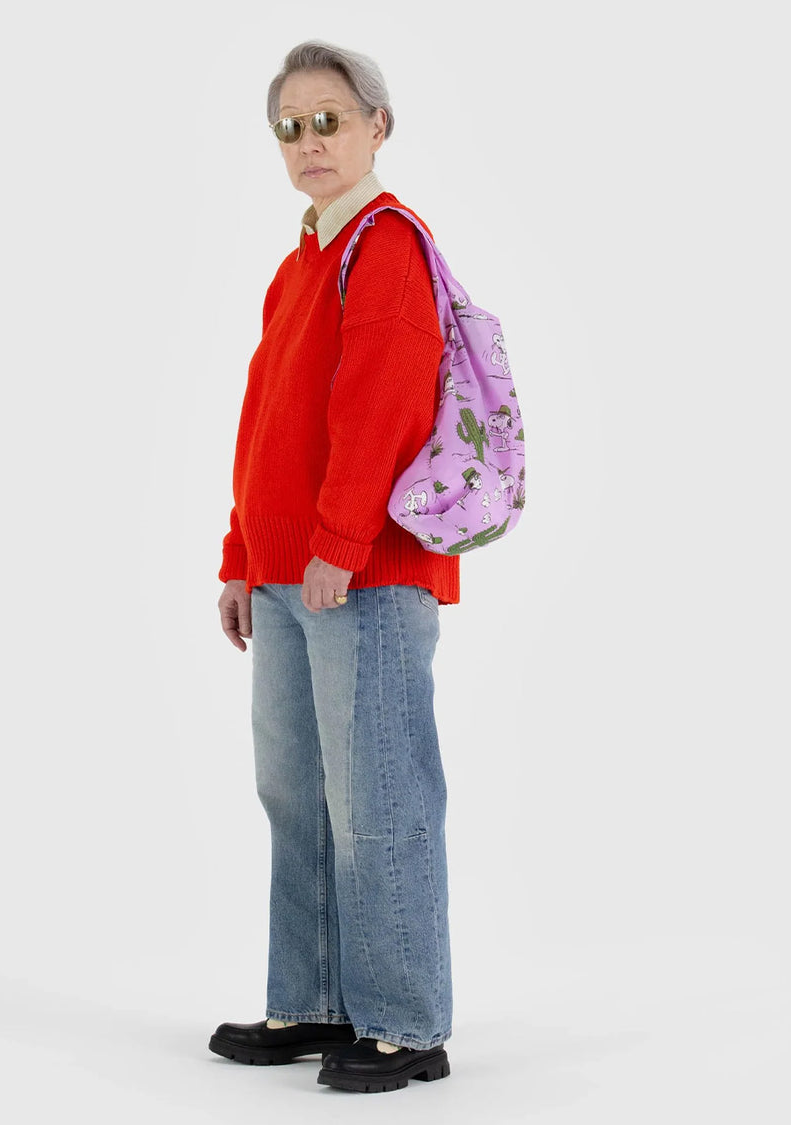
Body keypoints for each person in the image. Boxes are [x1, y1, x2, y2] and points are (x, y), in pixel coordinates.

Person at [209, 39, 458, 1094]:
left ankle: (406, 1023)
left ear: (376, 128)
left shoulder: (384, 244)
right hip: (288, 574)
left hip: (361, 572)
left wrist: (339, 544)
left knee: (381, 795)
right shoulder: (300, 261)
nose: (309, 141)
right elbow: (266, 424)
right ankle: (312, 1001)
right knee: (300, 794)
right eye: (290, 125)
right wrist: (240, 554)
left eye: (330, 119)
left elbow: (385, 408)